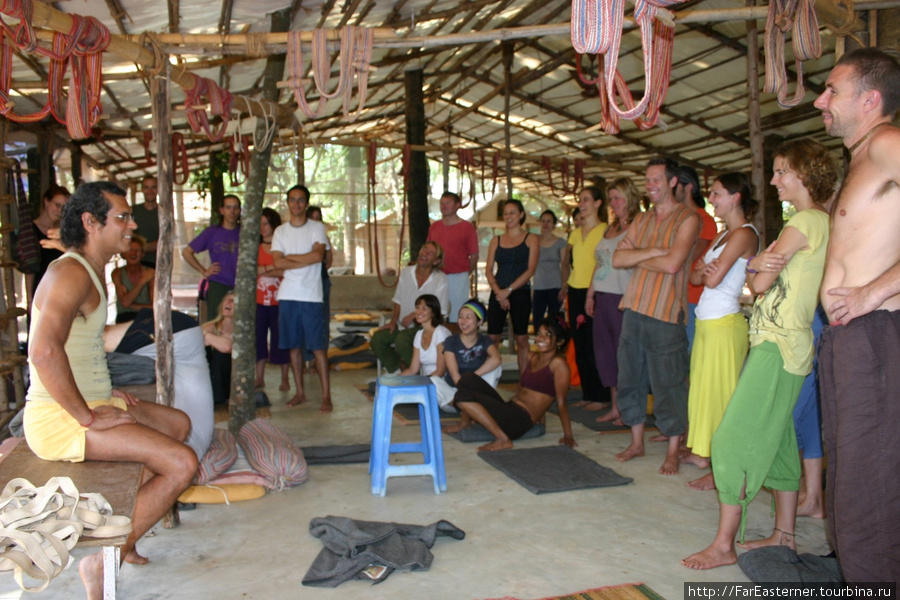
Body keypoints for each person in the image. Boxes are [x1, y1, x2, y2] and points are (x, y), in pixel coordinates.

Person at [22, 182, 197, 598]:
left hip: (89, 401)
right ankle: (102, 560)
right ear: (90, 222)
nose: (132, 225)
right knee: (181, 464)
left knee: (177, 424)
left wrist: (107, 389)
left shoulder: (89, 269)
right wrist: (87, 415)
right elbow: (43, 352)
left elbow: (79, 346)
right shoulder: (68, 272)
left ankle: (126, 531)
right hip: (59, 419)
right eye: (122, 217)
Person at [682, 139, 836, 570]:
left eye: (782, 171)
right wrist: (760, 265)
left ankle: (724, 544)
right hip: (791, 342)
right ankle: (784, 534)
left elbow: (760, 283)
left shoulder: (803, 221)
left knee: (730, 438)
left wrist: (759, 266)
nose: (773, 179)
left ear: (803, 174)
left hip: (778, 343)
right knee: (782, 438)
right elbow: (755, 272)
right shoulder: (820, 220)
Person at [814, 47, 900, 582]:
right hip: (846, 340)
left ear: (871, 99)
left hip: (873, 333)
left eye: (832, 91)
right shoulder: (862, 157)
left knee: (868, 478)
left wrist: (871, 293)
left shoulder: (889, 144)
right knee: (845, 474)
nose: (820, 100)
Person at [612, 157, 701, 475]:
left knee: (670, 383)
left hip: (666, 312)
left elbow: (674, 264)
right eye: (647, 180)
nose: (650, 185)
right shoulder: (643, 219)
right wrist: (652, 253)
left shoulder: (688, 218)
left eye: (656, 180)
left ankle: (674, 450)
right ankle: (636, 443)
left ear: (673, 182)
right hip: (634, 307)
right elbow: (618, 257)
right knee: (629, 378)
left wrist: (639, 258)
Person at [681, 173, 759, 491]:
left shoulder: (744, 234)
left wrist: (705, 271)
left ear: (736, 197)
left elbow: (710, 280)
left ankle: (725, 470)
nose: (710, 199)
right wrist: (704, 270)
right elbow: (695, 276)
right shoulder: (723, 236)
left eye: (716, 193)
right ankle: (714, 462)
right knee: (705, 395)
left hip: (725, 326)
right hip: (707, 324)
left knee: (722, 400)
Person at [444, 316, 576, 452]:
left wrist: (568, 435)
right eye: (539, 334)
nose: (540, 338)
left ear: (559, 341)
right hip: (510, 409)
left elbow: (560, 402)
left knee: (461, 396)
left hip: (519, 422)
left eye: (547, 335)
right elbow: (527, 389)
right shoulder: (533, 357)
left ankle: (502, 439)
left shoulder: (559, 364)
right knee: (467, 378)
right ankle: (464, 424)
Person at [585, 177, 641, 425]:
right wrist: (590, 294)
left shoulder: (639, 224)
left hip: (624, 297)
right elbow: (600, 264)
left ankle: (631, 410)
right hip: (603, 296)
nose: (614, 203)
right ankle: (616, 407)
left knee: (625, 356)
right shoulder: (610, 228)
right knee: (606, 353)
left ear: (630, 197)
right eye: (612, 199)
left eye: (618, 197)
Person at [272, 185, 332, 413]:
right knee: (293, 347)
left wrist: (290, 258)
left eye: (300, 200)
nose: (296, 204)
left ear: (306, 203)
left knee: (318, 348)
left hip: (311, 296)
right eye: (292, 200)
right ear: (287, 203)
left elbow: (319, 256)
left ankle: (326, 395)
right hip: (288, 295)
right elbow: (277, 263)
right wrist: (305, 258)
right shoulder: (280, 231)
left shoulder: (317, 227)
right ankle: (300, 392)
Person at [370, 241, 449, 374]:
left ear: (436, 261)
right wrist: (393, 322)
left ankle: (417, 374)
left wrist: (413, 315)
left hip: (426, 327)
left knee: (402, 340)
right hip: (402, 325)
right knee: (377, 339)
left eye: (431, 253)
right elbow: (398, 300)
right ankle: (400, 367)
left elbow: (441, 310)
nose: (425, 254)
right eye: (424, 249)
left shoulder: (440, 279)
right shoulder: (406, 272)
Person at [563, 187, 609, 410]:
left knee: (595, 343)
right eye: (580, 200)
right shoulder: (575, 232)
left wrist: (592, 292)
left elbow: (602, 264)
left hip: (596, 291)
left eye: (586, 200)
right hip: (574, 289)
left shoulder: (604, 231)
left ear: (599, 203)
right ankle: (588, 392)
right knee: (579, 342)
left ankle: (602, 395)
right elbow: (567, 262)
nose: (582, 203)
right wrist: (565, 286)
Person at [485, 199, 539, 374]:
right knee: (492, 337)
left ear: (521, 215)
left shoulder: (531, 238)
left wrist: (509, 291)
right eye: (506, 213)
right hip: (498, 291)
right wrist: (499, 292)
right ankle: (489, 378)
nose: (508, 216)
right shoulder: (496, 240)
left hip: (520, 291)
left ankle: (524, 382)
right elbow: (488, 270)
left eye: (512, 212)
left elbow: (531, 269)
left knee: (522, 338)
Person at [676, 166, 718, 353]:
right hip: (676, 297)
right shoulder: (676, 219)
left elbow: (686, 256)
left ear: (688, 188)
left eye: (675, 185)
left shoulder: (705, 220)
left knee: (690, 355)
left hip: (693, 298)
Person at [433, 299, 502, 410]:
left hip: (476, 391)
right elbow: (454, 374)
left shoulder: (485, 340)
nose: (463, 321)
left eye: (468, 317)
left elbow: (497, 359)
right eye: (461, 317)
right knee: (433, 381)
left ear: (480, 322)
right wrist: (464, 390)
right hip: (454, 394)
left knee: (496, 367)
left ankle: (471, 407)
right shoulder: (451, 341)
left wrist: (472, 378)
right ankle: (469, 407)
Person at [182, 194, 241, 322]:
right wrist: (204, 271)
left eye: (235, 208)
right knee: (215, 322)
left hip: (242, 285)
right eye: (228, 207)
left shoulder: (245, 233)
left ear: (240, 211)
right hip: (218, 284)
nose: (232, 211)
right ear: (222, 210)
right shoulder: (212, 232)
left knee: (239, 323)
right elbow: (187, 252)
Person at [427, 191, 478, 323]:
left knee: (457, 313)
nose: (444, 206)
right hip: (436, 275)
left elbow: (474, 255)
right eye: (442, 203)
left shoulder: (467, 227)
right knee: (435, 312)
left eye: (448, 203)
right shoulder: (434, 227)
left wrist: (465, 273)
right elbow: (428, 251)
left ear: (457, 205)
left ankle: (457, 341)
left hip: (458, 277)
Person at [255, 207, 290, 391]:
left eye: (266, 223)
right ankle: (259, 377)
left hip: (280, 301)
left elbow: (286, 269)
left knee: (281, 339)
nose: (263, 228)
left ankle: (285, 378)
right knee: (259, 339)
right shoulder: (255, 247)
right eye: (260, 224)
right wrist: (273, 269)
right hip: (259, 302)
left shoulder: (282, 248)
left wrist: (265, 268)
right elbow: (252, 271)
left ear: (274, 224)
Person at [26, 184, 70, 310]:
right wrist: (30, 300)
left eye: (63, 207)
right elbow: (30, 270)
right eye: (57, 205)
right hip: (40, 291)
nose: (59, 210)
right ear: (46, 201)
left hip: (65, 292)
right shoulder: (32, 230)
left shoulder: (66, 232)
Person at [304, 205, 334, 372]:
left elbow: (329, 260)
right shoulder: (300, 236)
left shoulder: (324, 238)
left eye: (318, 217)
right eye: (312, 217)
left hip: (321, 281)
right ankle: (306, 358)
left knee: (322, 320)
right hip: (304, 283)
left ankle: (319, 358)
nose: (315, 220)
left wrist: (320, 270)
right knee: (305, 320)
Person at [532, 209, 568, 328]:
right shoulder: (534, 240)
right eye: (543, 221)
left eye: (549, 221)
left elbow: (564, 265)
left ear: (553, 224)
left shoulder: (561, 242)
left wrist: (564, 286)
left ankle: (554, 345)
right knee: (537, 320)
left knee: (554, 320)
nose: (546, 224)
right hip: (538, 286)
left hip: (555, 285)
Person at [400, 294, 452, 377]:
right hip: (426, 382)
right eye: (417, 307)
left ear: (433, 313)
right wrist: (394, 380)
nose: (419, 312)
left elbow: (440, 371)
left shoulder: (441, 334)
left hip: (441, 384)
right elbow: (413, 369)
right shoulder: (419, 334)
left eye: (424, 308)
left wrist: (422, 383)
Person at [112, 234, 155, 323]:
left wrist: (131, 304)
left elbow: (154, 306)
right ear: (123, 253)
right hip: (124, 317)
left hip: (146, 316)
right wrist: (143, 280)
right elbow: (125, 302)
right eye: (130, 250)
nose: (134, 253)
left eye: (137, 250)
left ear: (142, 254)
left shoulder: (150, 273)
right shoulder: (117, 273)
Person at [203, 292, 235, 407]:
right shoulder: (211, 327)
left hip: (231, 376)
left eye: (233, 301)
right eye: (226, 300)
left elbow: (227, 348)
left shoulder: (242, 331)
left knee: (222, 353)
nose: (228, 303)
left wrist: (207, 337)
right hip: (212, 374)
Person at [132, 175, 160, 268]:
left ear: (158, 189)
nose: (150, 191)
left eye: (153, 187)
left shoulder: (164, 213)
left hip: (158, 263)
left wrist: (140, 248)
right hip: (135, 263)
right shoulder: (133, 211)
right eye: (146, 187)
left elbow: (166, 240)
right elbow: (128, 238)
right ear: (142, 189)